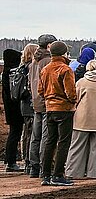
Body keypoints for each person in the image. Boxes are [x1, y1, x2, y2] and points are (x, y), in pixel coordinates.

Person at [37, 41, 77, 186]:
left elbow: (40, 90)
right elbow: (71, 92)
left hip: (49, 108)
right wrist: (74, 102)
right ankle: (58, 174)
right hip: (64, 109)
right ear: (64, 53)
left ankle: (46, 175)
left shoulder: (46, 69)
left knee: (50, 141)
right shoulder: (65, 69)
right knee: (63, 142)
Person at [65, 60, 96, 179]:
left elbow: (75, 98)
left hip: (82, 119)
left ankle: (73, 172)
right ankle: (93, 173)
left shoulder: (82, 82)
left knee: (77, 146)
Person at [28, 34, 57, 178]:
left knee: (35, 136)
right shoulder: (48, 61)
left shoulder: (34, 61)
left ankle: (33, 166)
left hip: (36, 102)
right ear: (49, 45)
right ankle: (43, 166)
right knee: (47, 136)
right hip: (47, 102)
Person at [3, 49, 25, 172]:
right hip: (15, 109)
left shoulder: (6, 73)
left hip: (10, 109)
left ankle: (9, 160)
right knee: (15, 134)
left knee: (14, 134)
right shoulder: (12, 74)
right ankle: (11, 161)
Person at [19, 43, 39, 173]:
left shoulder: (21, 68)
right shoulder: (30, 68)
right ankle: (30, 161)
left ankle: (26, 161)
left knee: (27, 133)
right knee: (32, 134)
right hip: (30, 103)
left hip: (24, 104)